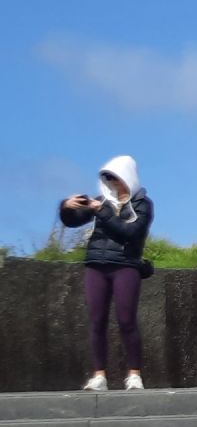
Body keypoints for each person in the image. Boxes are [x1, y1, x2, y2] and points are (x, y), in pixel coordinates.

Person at [60, 156, 152, 392]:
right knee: (97, 321)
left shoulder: (142, 204)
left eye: (115, 177)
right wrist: (66, 207)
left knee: (126, 320)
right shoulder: (102, 202)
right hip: (95, 264)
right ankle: (99, 375)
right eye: (107, 177)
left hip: (126, 264)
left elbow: (129, 232)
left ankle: (134, 374)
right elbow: (73, 222)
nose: (111, 181)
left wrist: (102, 211)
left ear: (127, 177)